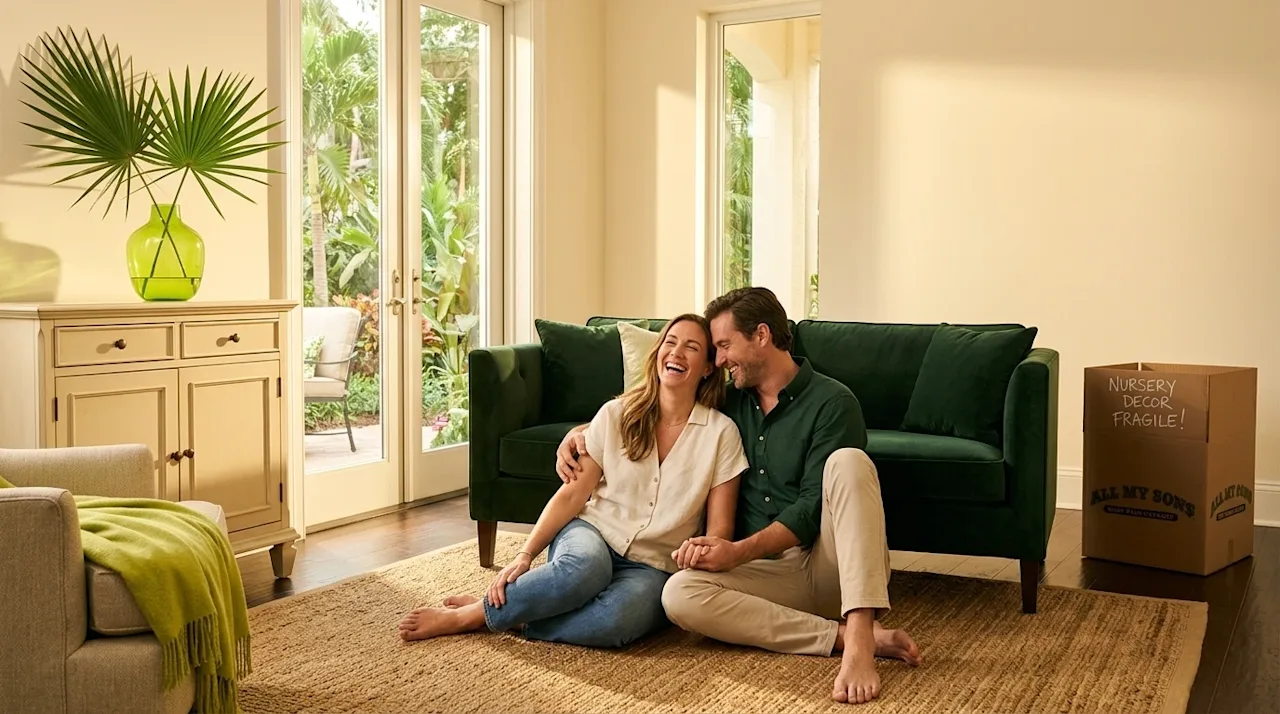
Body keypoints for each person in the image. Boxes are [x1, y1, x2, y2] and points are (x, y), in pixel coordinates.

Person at [555, 288, 920, 705]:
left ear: (761, 335)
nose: (720, 359)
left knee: (850, 463)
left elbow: (808, 509)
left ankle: (859, 638)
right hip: (764, 578)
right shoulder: (727, 404)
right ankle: (837, 637)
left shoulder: (833, 403)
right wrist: (583, 431)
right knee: (677, 594)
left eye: (725, 345)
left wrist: (736, 552)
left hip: (828, 566)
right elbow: (661, 407)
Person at [398, 314, 748, 649]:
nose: (676, 352)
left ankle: (519, 617)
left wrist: (702, 551)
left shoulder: (721, 434)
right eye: (670, 342)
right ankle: (469, 616)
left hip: (654, 565)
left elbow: (718, 529)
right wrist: (525, 554)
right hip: (594, 533)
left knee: (618, 620)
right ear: (657, 355)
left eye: (691, 347)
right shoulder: (616, 414)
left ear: (706, 367)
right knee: (583, 572)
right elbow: (573, 493)